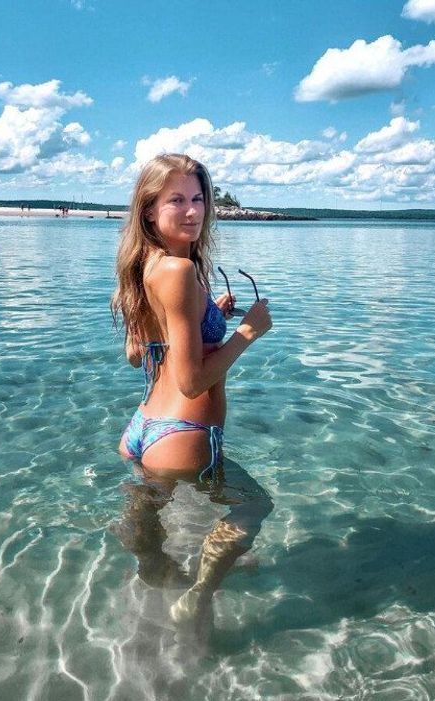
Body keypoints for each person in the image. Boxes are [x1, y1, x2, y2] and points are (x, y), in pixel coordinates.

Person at [109, 153, 273, 632]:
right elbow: (192, 381)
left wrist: (208, 314)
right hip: (183, 433)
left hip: (141, 430)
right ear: (149, 211)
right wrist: (246, 332)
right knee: (254, 506)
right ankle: (197, 597)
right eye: (176, 199)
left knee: (148, 519)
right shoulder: (179, 273)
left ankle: (153, 575)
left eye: (199, 198)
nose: (193, 211)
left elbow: (137, 353)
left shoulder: (146, 265)